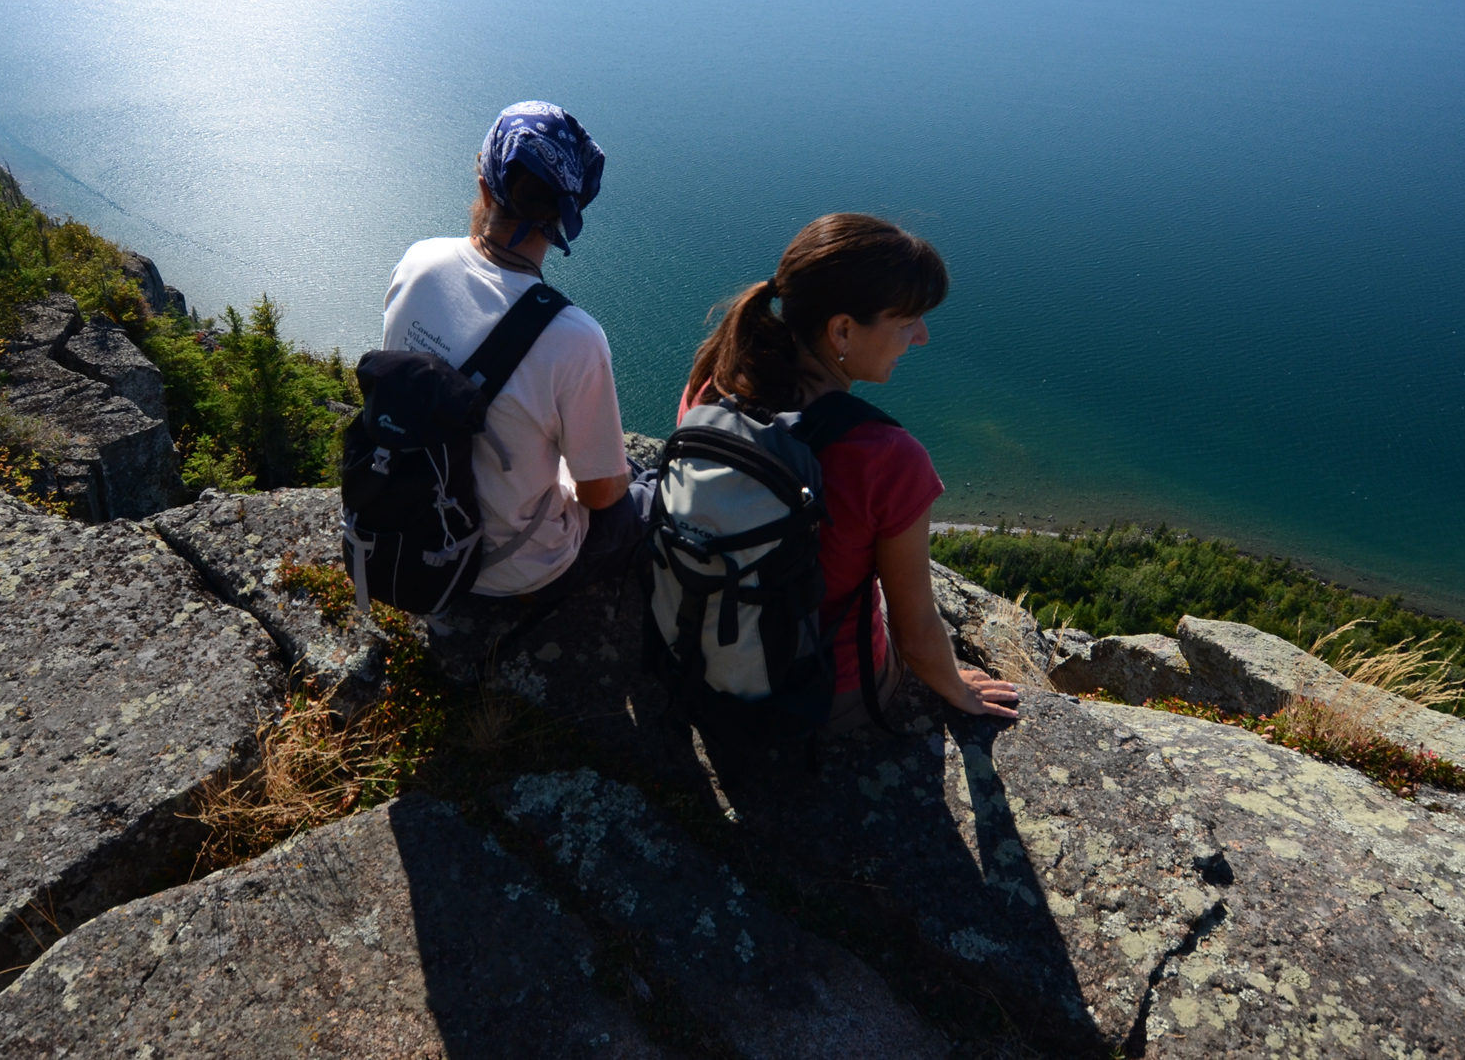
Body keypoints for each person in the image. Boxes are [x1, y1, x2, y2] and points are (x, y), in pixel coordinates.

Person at [679, 212, 1020, 730]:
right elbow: (917, 635)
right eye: (906, 323)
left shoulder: (712, 383)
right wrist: (956, 683)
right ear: (841, 329)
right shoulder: (888, 458)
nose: (922, 337)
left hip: (702, 651)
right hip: (822, 690)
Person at [380, 101, 651, 602]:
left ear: (485, 186)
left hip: (408, 529)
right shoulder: (574, 339)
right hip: (509, 576)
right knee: (645, 493)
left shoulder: (417, 262)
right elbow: (598, 494)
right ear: (567, 213)